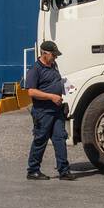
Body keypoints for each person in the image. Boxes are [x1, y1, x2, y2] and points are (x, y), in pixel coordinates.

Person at [24, 41, 74, 181]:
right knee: (40, 140)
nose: (55, 58)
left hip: (57, 111)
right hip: (43, 112)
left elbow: (56, 81)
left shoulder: (53, 65)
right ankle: (33, 170)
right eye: (53, 55)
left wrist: (69, 89)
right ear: (44, 53)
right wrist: (51, 96)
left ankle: (64, 171)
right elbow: (31, 92)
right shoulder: (35, 69)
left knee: (60, 139)